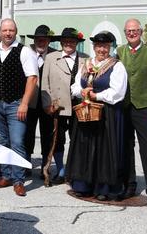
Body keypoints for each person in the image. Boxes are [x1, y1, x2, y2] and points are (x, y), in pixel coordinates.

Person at [66, 31, 127, 201]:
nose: (102, 49)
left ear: (110, 47)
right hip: (86, 112)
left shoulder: (116, 66)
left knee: (104, 149)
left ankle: (104, 187)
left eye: (105, 46)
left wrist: (97, 96)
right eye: (99, 46)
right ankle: (83, 184)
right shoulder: (86, 64)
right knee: (85, 146)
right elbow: (76, 85)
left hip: (107, 113)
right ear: (94, 47)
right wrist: (82, 91)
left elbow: (118, 92)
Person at [0, 18, 39, 197]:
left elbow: (32, 78)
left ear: (16, 32)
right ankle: (6, 175)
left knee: (18, 143)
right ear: (0, 31)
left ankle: (19, 180)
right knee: (2, 142)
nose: (8, 33)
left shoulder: (24, 52)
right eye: (5, 30)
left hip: (16, 104)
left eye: (11, 30)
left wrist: (24, 103)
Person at [116, 19, 147, 208]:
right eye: (128, 31)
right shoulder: (119, 52)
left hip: (145, 106)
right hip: (124, 106)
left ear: (141, 31)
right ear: (125, 32)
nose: (132, 33)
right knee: (125, 147)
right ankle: (129, 185)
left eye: (135, 30)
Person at [41, 27, 89, 185]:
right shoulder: (51, 58)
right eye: (66, 41)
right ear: (61, 43)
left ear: (77, 43)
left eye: (72, 42)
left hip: (78, 104)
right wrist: (47, 104)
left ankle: (75, 170)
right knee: (58, 139)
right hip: (58, 105)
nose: (69, 44)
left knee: (77, 138)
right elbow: (44, 84)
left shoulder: (85, 59)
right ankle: (61, 169)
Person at [25, 25, 57, 178]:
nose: (41, 42)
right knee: (28, 133)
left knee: (47, 134)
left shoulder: (54, 55)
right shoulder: (27, 52)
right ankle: (26, 164)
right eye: (38, 39)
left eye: (44, 39)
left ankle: (46, 165)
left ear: (49, 41)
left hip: (47, 102)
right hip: (30, 100)